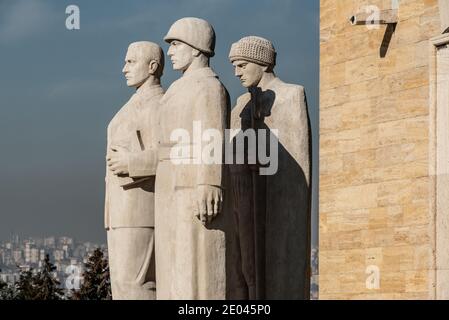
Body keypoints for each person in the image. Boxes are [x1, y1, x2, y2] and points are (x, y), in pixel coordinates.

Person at [229, 36, 312, 299]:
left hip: (279, 205)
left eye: (242, 65)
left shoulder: (291, 95)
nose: (236, 72)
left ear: (262, 63)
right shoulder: (239, 106)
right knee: (246, 269)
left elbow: (298, 157)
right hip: (244, 200)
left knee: (277, 273)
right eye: (234, 65)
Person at [154, 17, 230, 299]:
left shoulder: (209, 87)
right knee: (172, 268)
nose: (170, 52)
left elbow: (211, 136)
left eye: (175, 44)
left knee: (193, 270)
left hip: (191, 188)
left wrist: (209, 182)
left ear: (196, 47)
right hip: (169, 186)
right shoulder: (178, 88)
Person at [104, 41, 164, 300]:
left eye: (131, 62)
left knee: (135, 284)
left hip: (140, 208)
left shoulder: (159, 104)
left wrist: (132, 163)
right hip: (122, 211)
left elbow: (173, 154)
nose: (124, 69)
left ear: (152, 67)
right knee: (122, 285)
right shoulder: (135, 104)